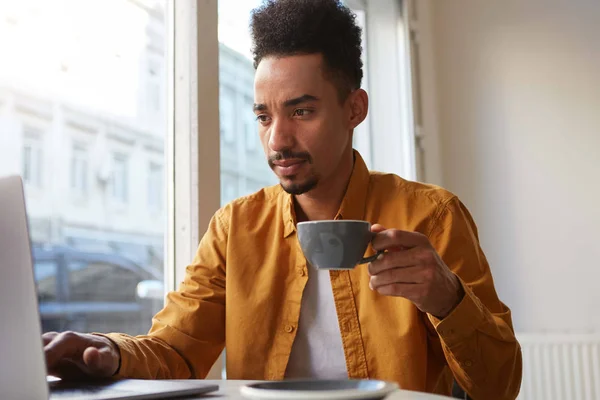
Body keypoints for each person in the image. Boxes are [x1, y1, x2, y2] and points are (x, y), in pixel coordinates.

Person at [42, 0, 522, 398]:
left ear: (354, 108)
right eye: (264, 116)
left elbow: (500, 387)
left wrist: (447, 297)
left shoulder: (431, 216)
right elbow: (176, 349)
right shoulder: (236, 227)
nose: (277, 140)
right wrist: (107, 350)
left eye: (302, 110)